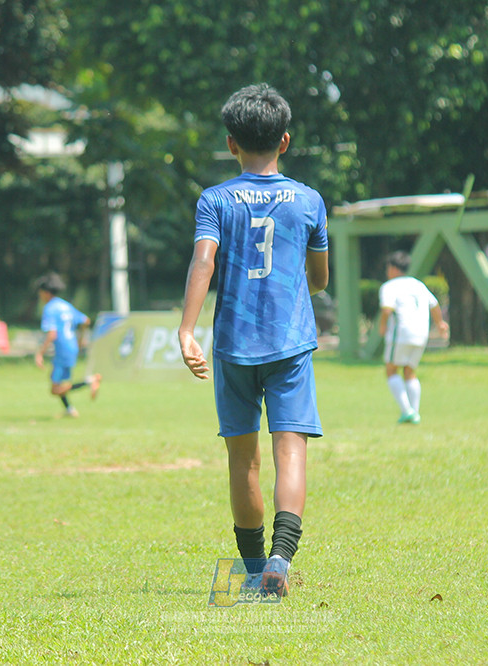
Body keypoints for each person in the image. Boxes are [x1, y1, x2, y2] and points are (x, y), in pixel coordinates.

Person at [178, 83, 330, 598]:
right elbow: (320, 278)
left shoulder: (215, 199)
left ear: (230, 144)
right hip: (289, 344)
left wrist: (186, 329)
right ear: (284, 141)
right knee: (291, 453)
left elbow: (204, 260)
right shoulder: (309, 200)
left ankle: (252, 571)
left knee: (243, 459)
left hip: (233, 345)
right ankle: (281, 565)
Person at [378, 251, 450, 424]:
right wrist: (440, 323)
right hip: (421, 333)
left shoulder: (389, 286)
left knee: (391, 369)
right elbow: (434, 304)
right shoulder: (418, 284)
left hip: (401, 333)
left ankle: (407, 410)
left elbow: (387, 309)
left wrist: (382, 326)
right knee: (410, 371)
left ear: (393, 268)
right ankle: (415, 412)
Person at [33, 273, 101, 417]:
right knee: (60, 383)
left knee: (55, 388)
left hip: (63, 350)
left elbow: (52, 334)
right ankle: (70, 409)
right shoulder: (65, 305)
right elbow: (86, 321)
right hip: (71, 348)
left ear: (45, 293)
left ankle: (90, 381)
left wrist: (40, 353)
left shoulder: (50, 308)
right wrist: (81, 339)